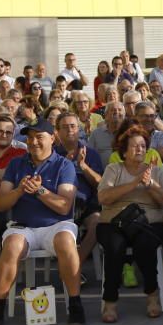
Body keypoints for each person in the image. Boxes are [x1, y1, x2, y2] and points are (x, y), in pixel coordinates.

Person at [0, 118, 83, 325]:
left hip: (56, 224)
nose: (33, 142)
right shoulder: (16, 164)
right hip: (23, 226)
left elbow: (64, 206)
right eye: (29, 138)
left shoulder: (64, 165)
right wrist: (19, 190)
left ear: (52, 138)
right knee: (11, 246)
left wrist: (40, 191)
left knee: (66, 242)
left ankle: (75, 304)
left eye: (39, 137)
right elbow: (0, 204)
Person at [96, 124, 163, 322]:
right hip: (115, 221)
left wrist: (150, 185)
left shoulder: (156, 171)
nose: (140, 149)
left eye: (142, 145)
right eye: (134, 146)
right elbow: (103, 198)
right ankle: (110, 302)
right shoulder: (113, 169)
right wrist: (133, 184)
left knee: (145, 245)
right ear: (123, 151)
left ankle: (152, 295)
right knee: (114, 247)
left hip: (148, 221)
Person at [53, 111, 104, 277]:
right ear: (57, 131)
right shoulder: (51, 155)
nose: (70, 130)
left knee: (98, 222)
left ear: (79, 129)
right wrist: (65, 165)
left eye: (73, 126)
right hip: (59, 205)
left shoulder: (90, 153)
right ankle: (71, 269)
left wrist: (83, 166)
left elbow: (100, 183)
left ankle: (74, 267)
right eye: (65, 127)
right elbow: (47, 184)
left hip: (86, 204)